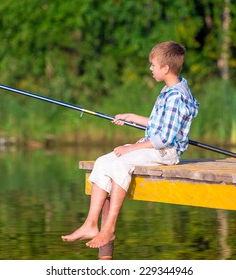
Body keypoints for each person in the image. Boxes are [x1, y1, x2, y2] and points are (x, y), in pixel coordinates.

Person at [62, 41, 199, 248]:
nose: (150, 68)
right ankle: (90, 224)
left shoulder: (176, 96)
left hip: (165, 153)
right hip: (154, 147)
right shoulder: (170, 89)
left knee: (120, 163)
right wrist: (132, 117)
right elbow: (157, 125)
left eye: (153, 65)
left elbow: (165, 139)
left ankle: (109, 229)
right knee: (103, 161)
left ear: (165, 68)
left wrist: (131, 148)